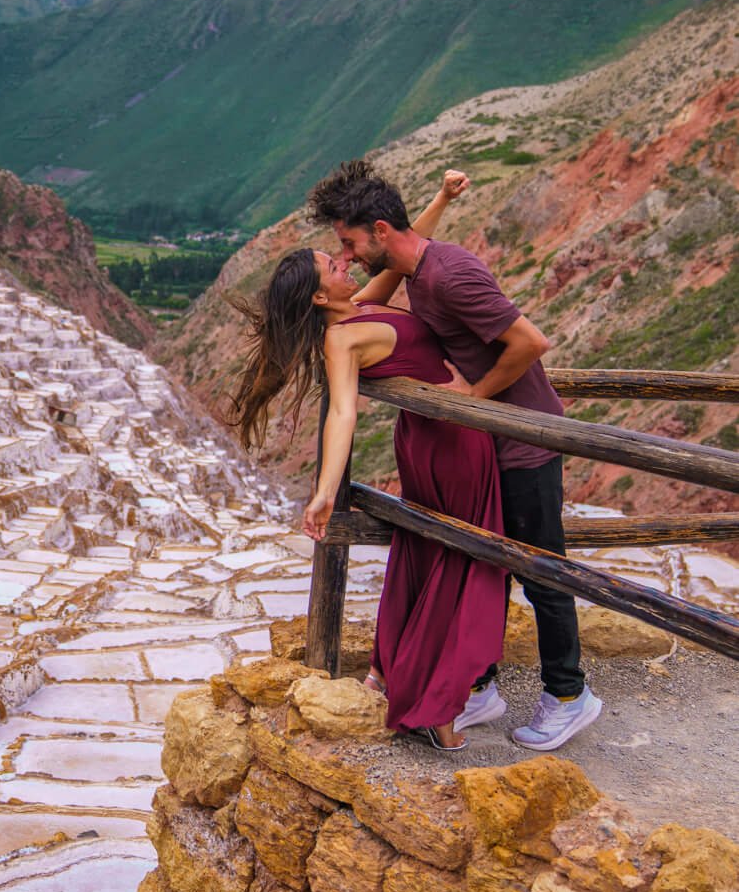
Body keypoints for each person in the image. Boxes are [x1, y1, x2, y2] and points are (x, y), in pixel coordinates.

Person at [307, 159, 601, 752]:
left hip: (525, 440)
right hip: (486, 447)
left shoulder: (448, 276)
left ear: (382, 231)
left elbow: (531, 343)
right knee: (484, 562)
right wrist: (441, 197)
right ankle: (480, 686)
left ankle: (568, 696)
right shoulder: (415, 273)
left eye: (349, 242)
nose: (349, 255)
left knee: (541, 571)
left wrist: (470, 400)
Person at [230, 170, 504, 749]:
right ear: (318, 294)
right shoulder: (342, 338)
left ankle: (398, 676)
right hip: (452, 444)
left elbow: (402, 249)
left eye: (341, 254)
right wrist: (326, 491)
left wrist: (441, 200)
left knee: (432, 556)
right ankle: (436, 707)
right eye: (332, 264)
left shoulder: (356, 308)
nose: (342, 261)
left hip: (433, 443)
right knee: (460, 564)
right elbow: (342, 416)